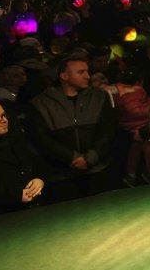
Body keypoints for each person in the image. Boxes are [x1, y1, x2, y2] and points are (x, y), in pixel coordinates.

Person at [28, 53, 117, 200]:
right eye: (81, 72)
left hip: (97, 169)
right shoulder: (42, 103)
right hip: (62, 174)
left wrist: (91, 157)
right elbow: (41, 138)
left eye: (87, 71)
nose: (87, 76)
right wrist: (72, 157)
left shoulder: (99, 97)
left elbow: (108, 130)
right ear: (64, 76)